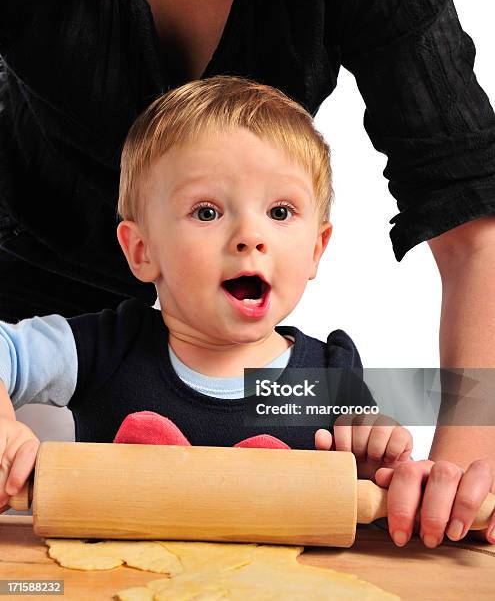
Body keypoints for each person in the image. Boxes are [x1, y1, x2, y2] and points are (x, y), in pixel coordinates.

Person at [0, 77, 493, 550]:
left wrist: (371, 458)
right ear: (142, 250)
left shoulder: (322, 379)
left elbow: (365, 490)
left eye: (280, 212)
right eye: (207, 212)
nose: (249, 236)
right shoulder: (103, 348)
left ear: (317, 249)